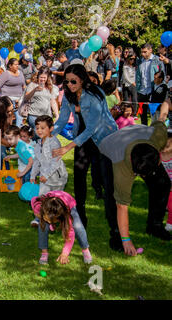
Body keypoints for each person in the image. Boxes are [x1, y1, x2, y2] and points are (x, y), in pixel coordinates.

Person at [51, 64, 120, 251]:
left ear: (83, 79)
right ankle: (79, 221)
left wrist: (67, 147)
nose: (70, 84)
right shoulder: (68, 94)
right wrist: (48, 134)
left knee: (109, 185)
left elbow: (93, 127)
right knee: (79, 181)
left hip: (104, 138)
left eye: (73, 81)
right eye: (66, 81)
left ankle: (116, 231)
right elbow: (63, 118)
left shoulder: (95, 93)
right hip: (83, 139)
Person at [98, 121, 171, 256]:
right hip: (110, 149)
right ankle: (117, 235)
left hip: (142, 138)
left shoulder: (159, 137)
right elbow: (122, 206)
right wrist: (126, 240)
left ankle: (155, 226)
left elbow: (159, 123)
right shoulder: (121, 165)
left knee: (163, 183)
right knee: (113, 195)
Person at [31, 191, 92, 265]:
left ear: (60, 218)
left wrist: (65, 253)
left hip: (68, 203)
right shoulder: (40, 205)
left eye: (51, 221)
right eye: (47, 219)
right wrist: (36, 213)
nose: (49, 222)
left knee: (78, 226)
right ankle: (44, 252)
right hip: (51, 203)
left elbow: (70, 235)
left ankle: (85, 249)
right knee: (42, 226)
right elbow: (33, 199)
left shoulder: (66, 215)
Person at [30, 115, 68, 196]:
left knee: (56, 201)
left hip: (57, 179)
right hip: (44, 178)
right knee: (43, 198)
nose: (39, 131)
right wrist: (33, 175)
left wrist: (47, 175)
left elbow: (56, 162)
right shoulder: (38, 144)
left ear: (51, 128)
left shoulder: (54, 143)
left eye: (42, 128)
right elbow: (37, 161)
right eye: (37, 128)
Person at [24, 66, 59, 136]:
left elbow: (52, 101)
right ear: (38, 76)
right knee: (39, 135)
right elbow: (26, 98)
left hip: (47, 116)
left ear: (48, 77)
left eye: (44, 77)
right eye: (41, 77)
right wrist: (34, 90)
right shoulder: (32, 85)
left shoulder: (51, 87)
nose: (42, 79)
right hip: (34, 115)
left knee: (45, 136)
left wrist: (57, 114)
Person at [136, 43, 165, 125]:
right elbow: (138, 75)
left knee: (154, 113)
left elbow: (162, 74)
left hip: (153, 90)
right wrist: (137, 88)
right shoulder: (140, 60)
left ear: (150, 50)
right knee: (142, 114)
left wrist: (160, 88)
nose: (143, 54)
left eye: (145, 52)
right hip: (142, 91)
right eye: (142, 52)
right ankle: (143, 130)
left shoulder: (157, 60)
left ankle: (154, 130)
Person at [0, 58, 26, 127]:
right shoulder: (6, 74)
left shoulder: (20, 73)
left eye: (18, 64)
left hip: (19, 99)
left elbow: (24, 86)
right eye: (15, 64)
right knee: (6, 118)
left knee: (19, 117)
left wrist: (23, 98)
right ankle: (4, 132)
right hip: (7, 100)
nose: (17, 66)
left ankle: (17, 133)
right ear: (10, 65)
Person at [160, 132, 172, 232]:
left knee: (171, 206)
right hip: (163, 185)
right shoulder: (158, 156)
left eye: (167, 146)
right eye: (161, 146)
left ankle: (170, 222)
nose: (164, 149)